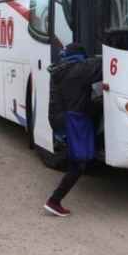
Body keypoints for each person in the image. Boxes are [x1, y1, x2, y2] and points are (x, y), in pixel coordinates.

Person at [43, 42, 102, 217]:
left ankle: (54, 201)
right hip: (72, 121)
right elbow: (106, 68)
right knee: (78, 165)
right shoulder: (78, 70)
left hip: (61, 120)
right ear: (79, 57)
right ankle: (54, 201)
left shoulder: (59, 70)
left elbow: (74, 98)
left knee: (77, 157)